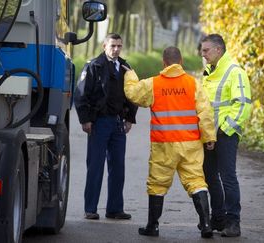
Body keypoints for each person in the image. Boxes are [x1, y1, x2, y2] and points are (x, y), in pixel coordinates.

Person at [122, 46, 217, 238]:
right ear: (181, 62)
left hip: (164, 144)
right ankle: (206, 224)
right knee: (196, 181)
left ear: (163, 63)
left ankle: (153, 226)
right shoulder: (193, 84)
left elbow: (132, 94)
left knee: (157, 183)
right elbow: (205, 113)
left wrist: (130, 74)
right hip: (190, 144)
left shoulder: (153, 84)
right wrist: (209, 137)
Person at [74, 33, 138, 220]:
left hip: (118, 123)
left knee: (118, 167)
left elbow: (133, 93)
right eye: (112, 46)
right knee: (95, 166)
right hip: (99, 122)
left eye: (119, 46)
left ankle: (115, 209)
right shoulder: (94, 66)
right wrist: (85, 120)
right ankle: (90, 209)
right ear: (104, 46)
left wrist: (130, 118)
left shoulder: (126, 68)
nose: (116, 49)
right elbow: (80, 95)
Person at [199, 34, 252, 237]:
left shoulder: (235, 72)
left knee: (228, 177)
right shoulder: (209, 73)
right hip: (210, 134)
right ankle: (218, 219)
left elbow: (243, 105)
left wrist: (222, 130)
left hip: (226, 134)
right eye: (202, 50)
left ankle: (233, 222)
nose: (202, 54)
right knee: (210, 177)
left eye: (206, 50)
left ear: (218, 50)